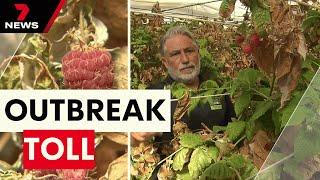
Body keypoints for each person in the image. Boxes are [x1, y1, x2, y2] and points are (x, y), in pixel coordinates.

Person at [131, 26, 235, 144]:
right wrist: (135, 135)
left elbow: (233, 130)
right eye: (175, 54)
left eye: (189, 51)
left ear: (198, 54)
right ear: (165, 62)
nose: (185, 59)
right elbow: (133, 139)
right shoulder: (154, 93)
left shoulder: (216, 89)